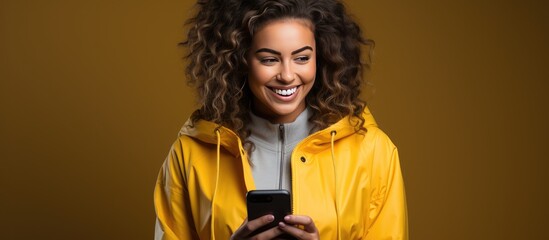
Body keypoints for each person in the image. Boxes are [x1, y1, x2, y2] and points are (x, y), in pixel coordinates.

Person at [154, 0, 408, 239]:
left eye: (302, 58)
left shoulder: (373, 151)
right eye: (269, 59)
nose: (287, 75)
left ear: (322, 58)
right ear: (240, 60)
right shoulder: (189, 154)